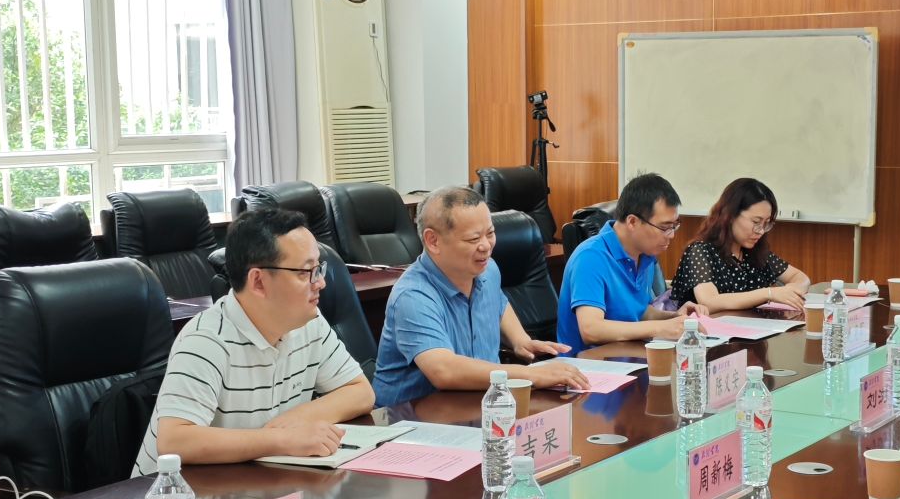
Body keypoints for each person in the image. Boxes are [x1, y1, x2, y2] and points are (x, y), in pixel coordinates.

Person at [134, 208, 376, 472]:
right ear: (258, 281)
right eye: (305, 272)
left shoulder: (309, 322)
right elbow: (174, 441)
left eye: (319, 269)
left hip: (249, 479)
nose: (320, 283)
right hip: (171, 492)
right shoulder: (206, 340)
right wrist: (281, 439)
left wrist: (296, 420)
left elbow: (360, 392)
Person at [372, 187, 587, 407]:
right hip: (409, 417)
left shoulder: (487, 269)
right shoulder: (413, 296)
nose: (486, 246)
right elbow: (443, 370)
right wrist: (532, 375)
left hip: (478, 404)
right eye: (473, 238)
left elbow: (499, 304)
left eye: (490, 233)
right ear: (433, 241)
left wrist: (520, 340)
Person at [556, 173, 704, 351]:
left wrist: (674, 318)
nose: (671, 235)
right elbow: (591, 330)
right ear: (632, 222)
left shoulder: (644, 255)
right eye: (665, 227)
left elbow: (638, 312)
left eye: (674, 226)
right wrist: (660, 328)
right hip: (587, 362)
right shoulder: (590, 257)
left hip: (626, 354)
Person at [671, 178, 812, 313]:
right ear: (730, 216)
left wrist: (789, 291)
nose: (761, 231)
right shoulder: (699, 251)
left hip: (751, 327)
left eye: (766, 223)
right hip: (709, 328)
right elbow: (709, 301)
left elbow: (801, 278)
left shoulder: (754, 252)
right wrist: (768, 293)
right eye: (756, 222)